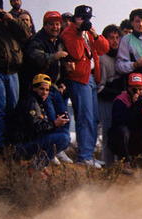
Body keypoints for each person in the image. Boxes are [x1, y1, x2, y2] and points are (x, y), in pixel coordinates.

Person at [61, 4, 109, 167]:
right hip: (78, 79)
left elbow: (104, 48)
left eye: (88, 18)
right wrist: (80, 32)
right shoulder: (69, 32)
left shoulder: (90, 31)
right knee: (84, 117)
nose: (85, 21)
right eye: (82, 18)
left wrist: (94, 34)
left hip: (91, 78)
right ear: (75, 19)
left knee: (94, 118)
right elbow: (75, 53)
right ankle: (84, 156)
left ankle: (89, 154)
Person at [21, 10, 71, 163]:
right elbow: (34, 57)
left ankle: (59, 149)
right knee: (49, 119)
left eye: (58, 24)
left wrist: (64, 74)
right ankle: (49, 152)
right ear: (45, 25)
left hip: (54, 87)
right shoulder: (37, 40)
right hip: (40, 88)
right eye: (52, 24)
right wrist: (53, 56)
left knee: (64, 118)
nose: (56, 27)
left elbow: (59, 65)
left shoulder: (58, 41)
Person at [9, 73, 70, 168]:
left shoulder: (39, 102)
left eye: (47, 90)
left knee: (64, 132)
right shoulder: (31, 101)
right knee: (63, 138)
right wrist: (54, 124)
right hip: (20, 147)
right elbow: (36, 127)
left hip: (29, 142)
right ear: (34, 88)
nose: (44, 92)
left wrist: (56, 124)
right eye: (41, 89)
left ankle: (39, 164)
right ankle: (35, 168)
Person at [0, 0, 31, 150]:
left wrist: (11, 19)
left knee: (13, 108)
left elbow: (26, 34)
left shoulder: (9, 24)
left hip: (13, 72)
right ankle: (0, 143)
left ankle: (12, 141)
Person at [97, 24, 124, 166]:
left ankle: (121, 164)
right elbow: (100, 88)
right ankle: (108, 165)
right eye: (111, 38)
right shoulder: (102, 59)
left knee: (121, 133)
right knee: (108, 132)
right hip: (107, 100)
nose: (114, 41)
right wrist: (119, 93)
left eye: (117, 38)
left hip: (120, 101)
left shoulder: (121, 57)